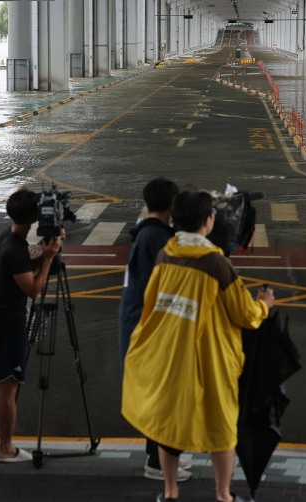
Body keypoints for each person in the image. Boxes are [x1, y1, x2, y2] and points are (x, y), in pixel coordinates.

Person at [122, 190, 275, 502]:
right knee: (221, 427)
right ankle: (222, 495)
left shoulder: (166, 254)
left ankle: (169, 492)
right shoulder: (217, 264)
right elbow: (244, 315)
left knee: (168, 427)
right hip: (209, 360)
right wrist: (263, 305)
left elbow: (151, 304)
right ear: (208, 221)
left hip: (169, 355)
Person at [0, 188, 61, 462]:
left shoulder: (7, 237)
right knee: (8, 388)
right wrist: (47, 260)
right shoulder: (14, 248)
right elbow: (33, 290)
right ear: (35, 217)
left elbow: (20, 267)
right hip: (9, 325)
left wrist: (40, 258)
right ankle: (6, 448)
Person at [118, 177, 193, 482]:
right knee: (163, 394)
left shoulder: (148, 233)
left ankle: (163, 455)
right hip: (148, 326)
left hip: (139, 322)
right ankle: (157, 461)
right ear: (171, 204)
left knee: (160, 392)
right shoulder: (156, 238)